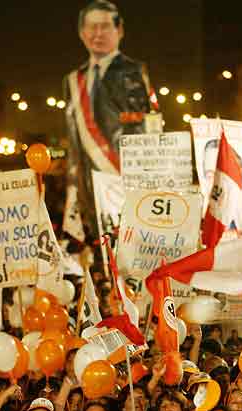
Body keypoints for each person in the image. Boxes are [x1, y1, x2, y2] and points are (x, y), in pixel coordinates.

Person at [64, 0, 152, 239]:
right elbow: (73, 141)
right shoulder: (73, 79)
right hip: (86, 187)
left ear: (119, 30)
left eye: (104, 26)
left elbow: (147, 129)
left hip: (121, 182)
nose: (98, 33)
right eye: (91, 27)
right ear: (82, 33)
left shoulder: (134, 71)